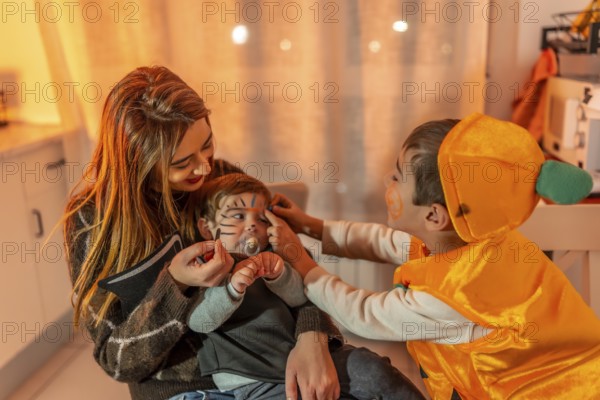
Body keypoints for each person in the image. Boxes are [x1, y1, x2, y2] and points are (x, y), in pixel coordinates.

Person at [63, 65, 348, 400]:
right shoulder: (92, 220)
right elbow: (118, 361)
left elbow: (297, 260)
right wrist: (175, 285)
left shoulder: (221, 179)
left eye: (208, 145)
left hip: (269, 363)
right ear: (136, 161)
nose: (205, 167)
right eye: (182, 163)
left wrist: (312, 334)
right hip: (185, 389)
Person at [269, 113, 600, 399]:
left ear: (433, 217)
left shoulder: (455, 298)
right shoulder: (475, 238)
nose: (388, 180)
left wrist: (300, 261)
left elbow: (363, 313)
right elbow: (380, 241)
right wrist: (311, 226)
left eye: (398, 177)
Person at [187, 173, 426, 399]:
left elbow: (300, 297)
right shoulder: (206, 266)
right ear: (207, 228)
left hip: (306, 358)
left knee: (373, 369)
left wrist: (279, 275)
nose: (252, 226)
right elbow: (199, 322)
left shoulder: (274, 256)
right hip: (253, 380)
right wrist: (231, 290)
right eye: (238, 216)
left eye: (260, 218)